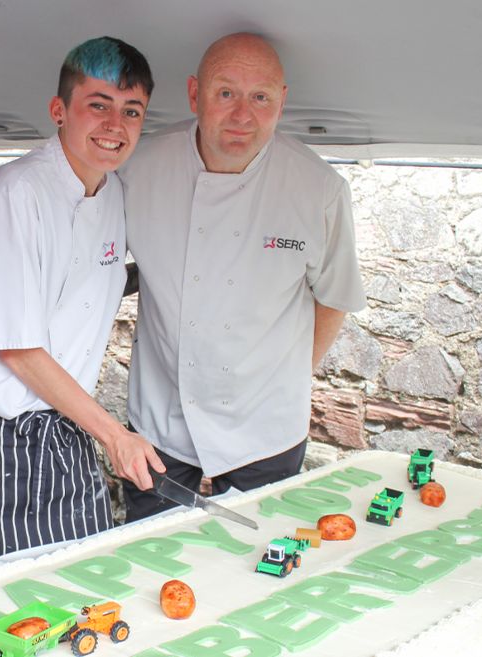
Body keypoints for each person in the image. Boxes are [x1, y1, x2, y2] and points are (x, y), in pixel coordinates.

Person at [0, 36, 163, 582]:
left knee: (82, 590)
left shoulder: (116, 195)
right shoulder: (16, 196)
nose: (114, 125)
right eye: (97, 104)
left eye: (131, 111)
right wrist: (115, 435)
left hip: (67, 430)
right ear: (59, 110)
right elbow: (18, 348)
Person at [118, 33, 366, 522]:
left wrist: (284, 380)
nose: (242, 115)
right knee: (147, 554)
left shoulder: (319, 189)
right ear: (194, 95)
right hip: (159, 417)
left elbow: (334, 298)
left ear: (282, 101)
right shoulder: (139, 170)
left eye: (261, 98)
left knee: (259, 559)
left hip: (266, 425)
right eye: (225, 93)